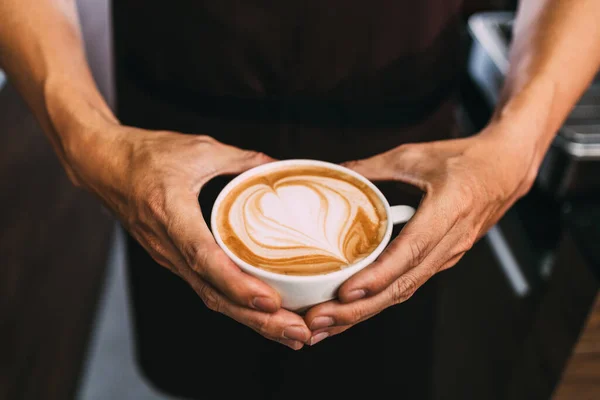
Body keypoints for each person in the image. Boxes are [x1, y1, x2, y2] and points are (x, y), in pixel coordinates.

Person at [1, 0, 599, 398]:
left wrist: (521, 140)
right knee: (204, 369)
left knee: (365, 375)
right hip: (173, 131)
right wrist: (83, 133)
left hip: (403, 136)